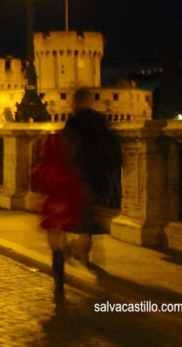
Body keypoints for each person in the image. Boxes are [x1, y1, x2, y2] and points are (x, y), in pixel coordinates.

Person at [63, 88, 121, 268]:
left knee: (77, 213)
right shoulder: (100, 120)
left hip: (77, 174)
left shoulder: (73, 123)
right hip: (96, 173)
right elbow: (111, 145)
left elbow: (65, 148)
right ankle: (85, 250)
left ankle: (76, 248)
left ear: (76, 102)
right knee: (87, 213)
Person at [31, 132, 84, 304]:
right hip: (66, 209)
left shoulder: (44, 168)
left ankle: (59, 282)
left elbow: (36, 183)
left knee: (55, 249)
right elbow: (75, 187)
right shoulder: (68, 167)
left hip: (52, 210)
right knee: (62, 240)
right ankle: (69, 250)